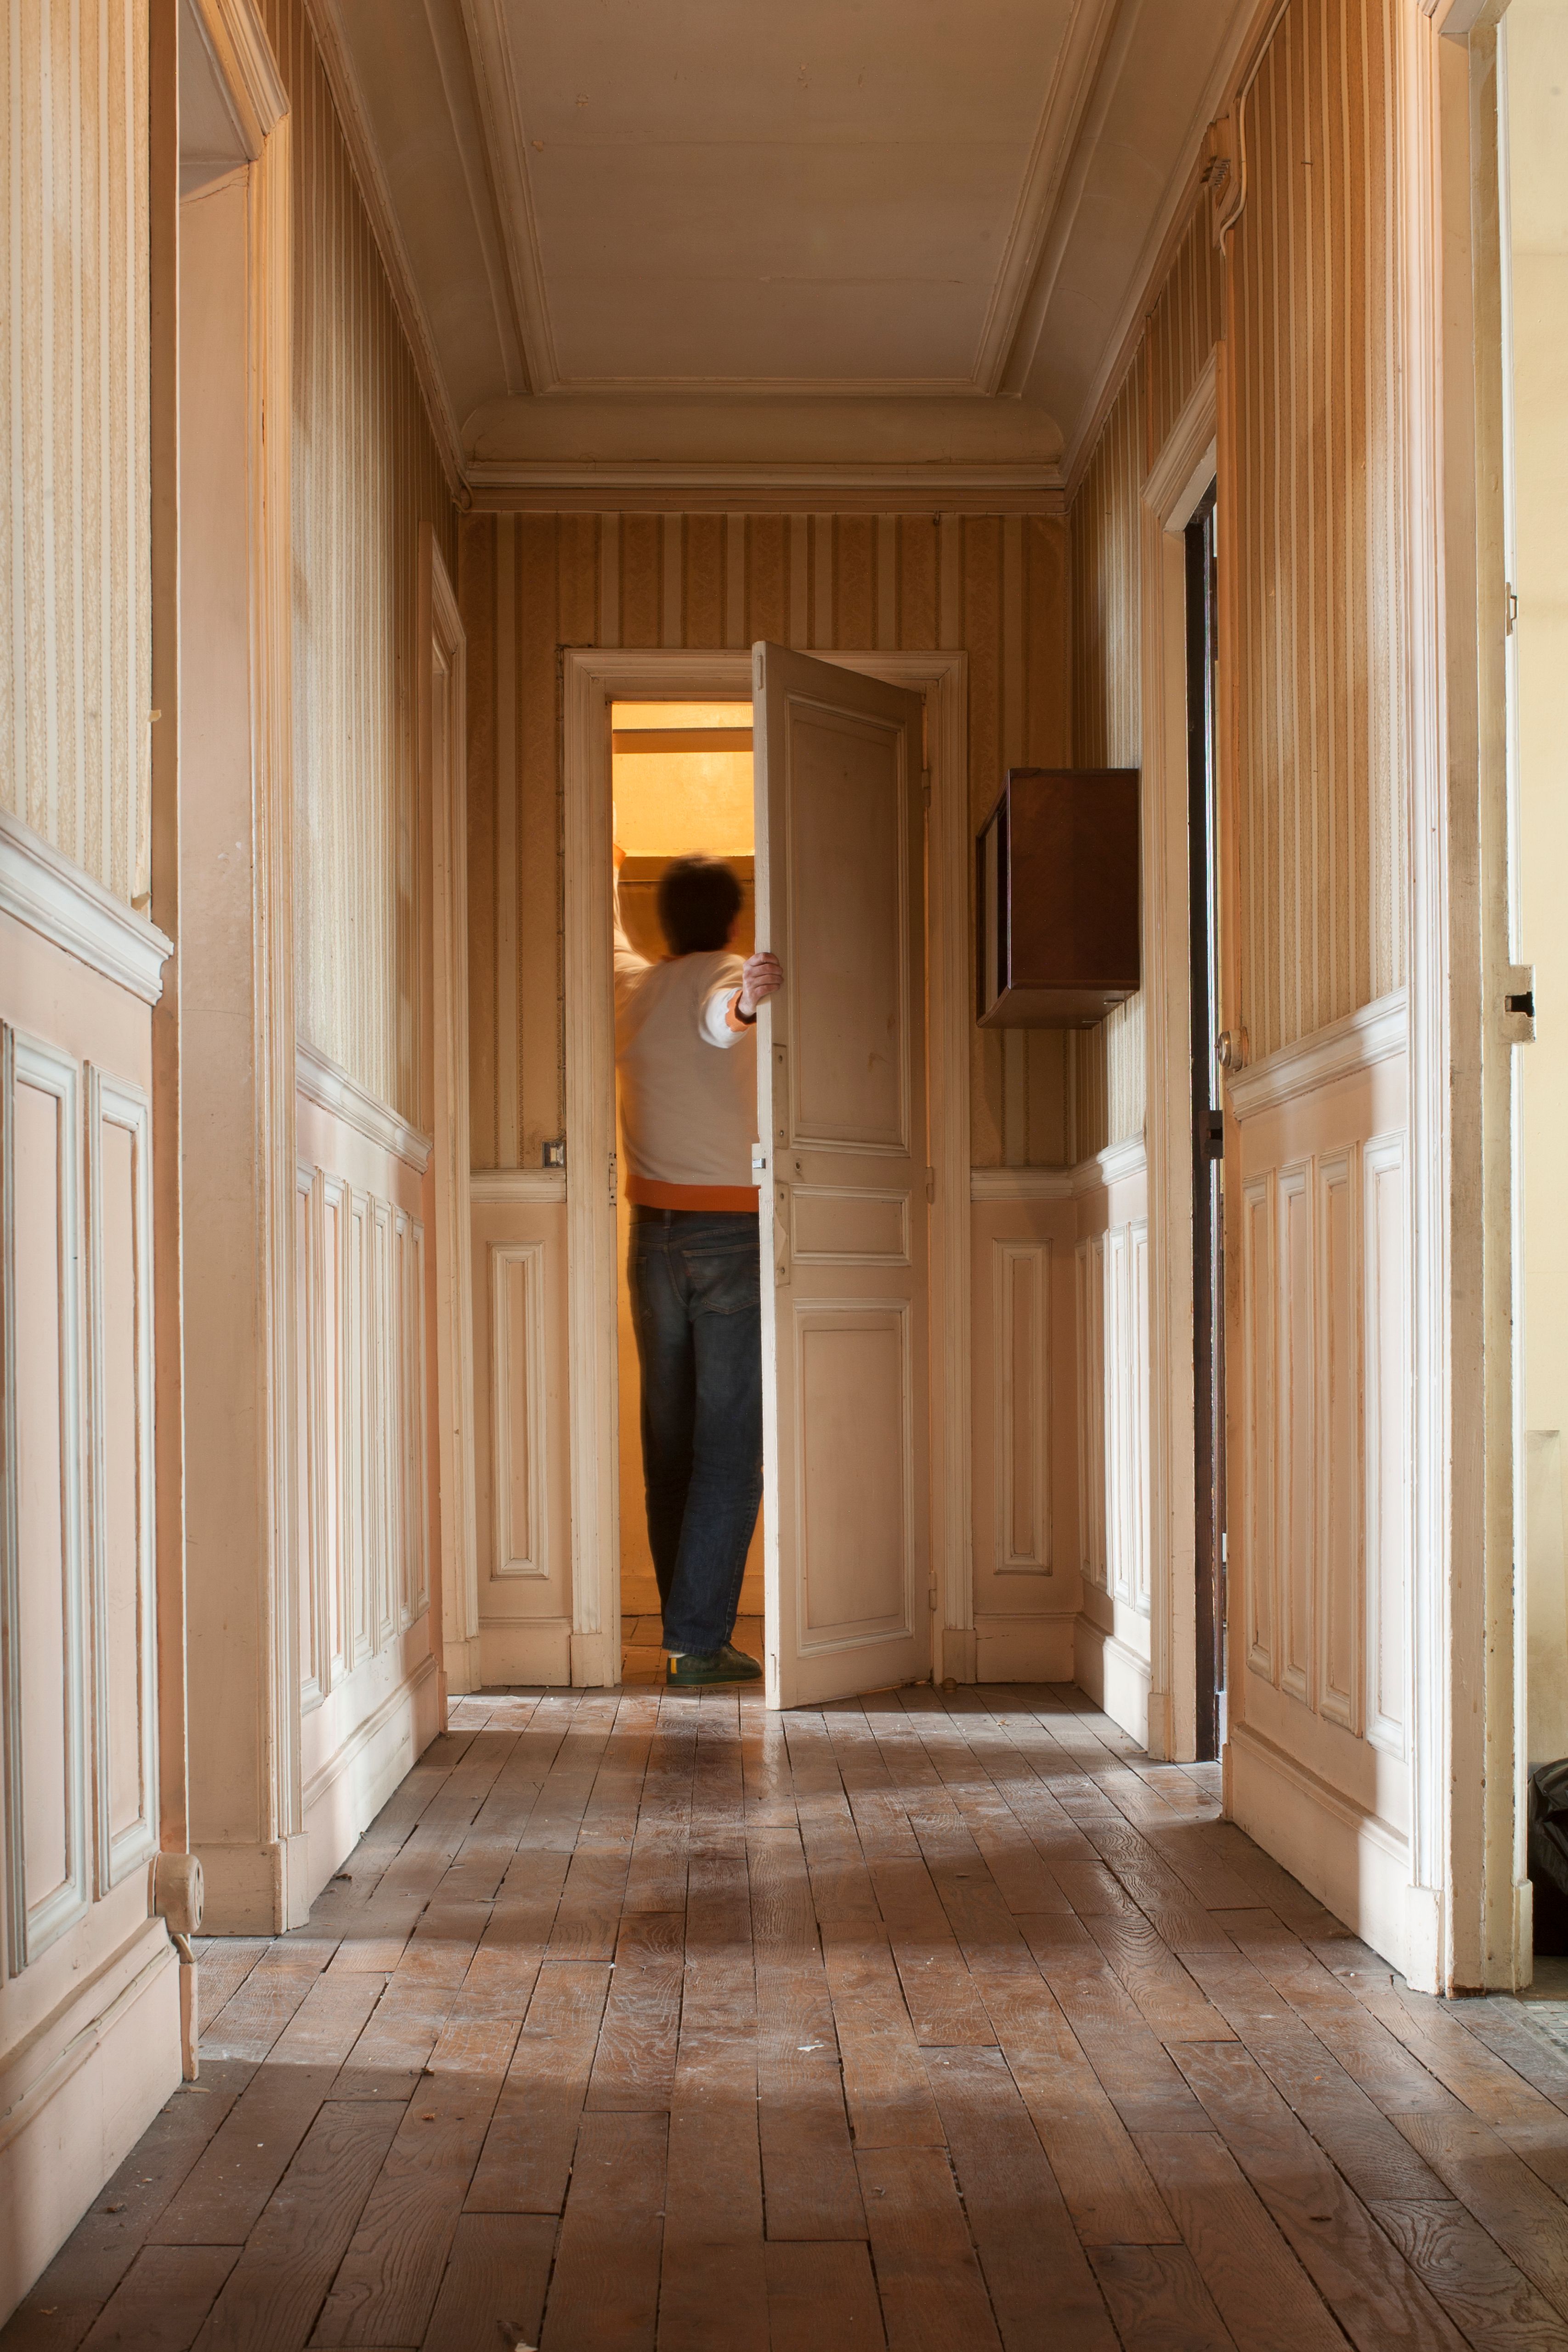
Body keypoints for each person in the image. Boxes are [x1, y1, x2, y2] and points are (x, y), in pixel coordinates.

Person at [613, 846, 784, 1687]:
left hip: (650, 1236)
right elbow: (725, 1016)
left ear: (660, 919)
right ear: (732, 917)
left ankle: (686, 1635)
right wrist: (749, 1002)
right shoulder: (727, 976)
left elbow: (607, 938)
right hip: (732, 1236)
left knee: (668, 1443)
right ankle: (694, 1641)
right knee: (727, 1444)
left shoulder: (632, 986)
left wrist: (605, 866)